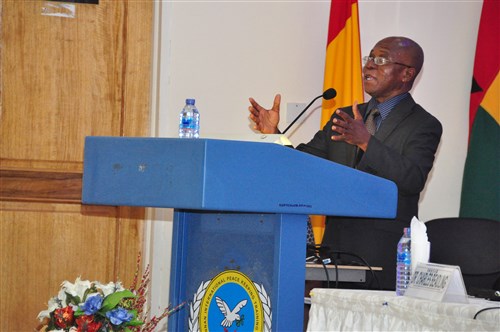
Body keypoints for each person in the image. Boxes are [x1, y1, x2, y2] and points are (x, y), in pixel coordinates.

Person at [248, 36, 442, 290]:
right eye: (369, 58)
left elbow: (412, 178)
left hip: (383, 254)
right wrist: (274, 134)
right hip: (336, 250)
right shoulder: (345, 116)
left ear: (406, 73)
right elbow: (304, 165)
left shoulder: (423, 124)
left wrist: (366, 142)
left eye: (380, 60)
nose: (369, 65)